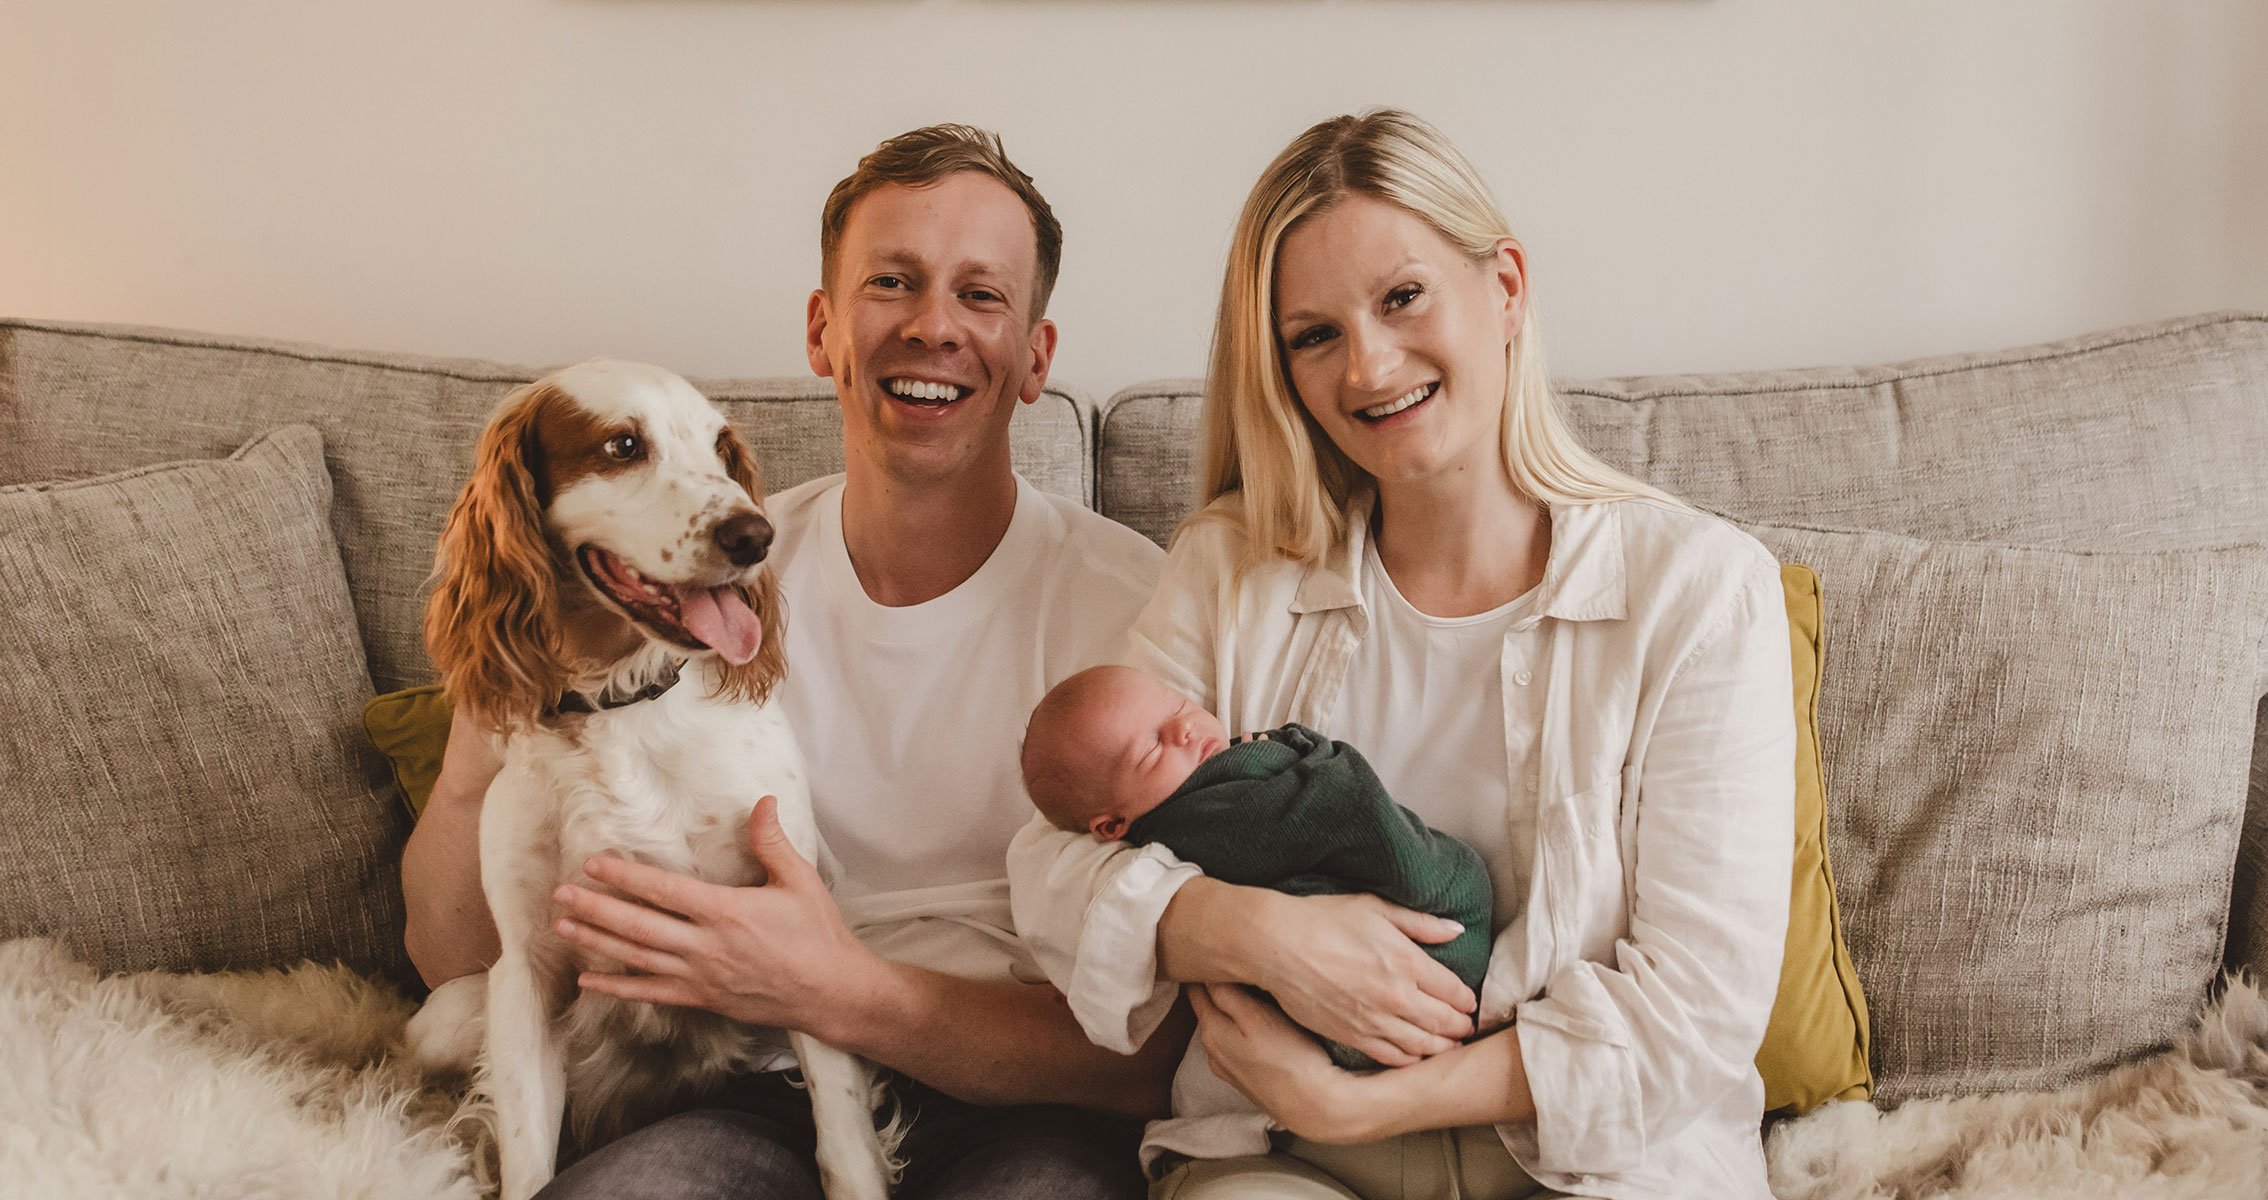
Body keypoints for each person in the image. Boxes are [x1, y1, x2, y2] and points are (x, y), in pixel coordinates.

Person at [1005, 109, 1796, 1200]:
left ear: (1507, 288)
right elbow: (1052, 864)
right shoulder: (1232, 568)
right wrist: (1256, 932)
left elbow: (1697, 1014)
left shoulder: (1701, 592)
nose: (1370, 365)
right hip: (1280, 1151)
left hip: (1596, 1160)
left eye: (1403, 297)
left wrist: (1367, 1099)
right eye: (1314, 335)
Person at [399, 124, 1185, 1200]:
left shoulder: (1136, 610)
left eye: (982, 296)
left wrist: (843, 990)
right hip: (746, 1088)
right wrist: (494, 713)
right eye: (892, 282)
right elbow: (461, 966)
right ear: (824, 330)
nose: (932, 326)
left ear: (1037, 355)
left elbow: (1157, 1055)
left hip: (1030, 1102)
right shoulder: (676, 580)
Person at [1019, 664, 1494, 1073]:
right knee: (1459, 880)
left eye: (1179, 706)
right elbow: (1336, 807)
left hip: (1413, 1006)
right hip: (1420, 964)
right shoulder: (1197, 818)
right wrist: (1309, 753)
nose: (1183, 730)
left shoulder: (1205, 773)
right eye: (1150, 752)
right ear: (1113, 825)